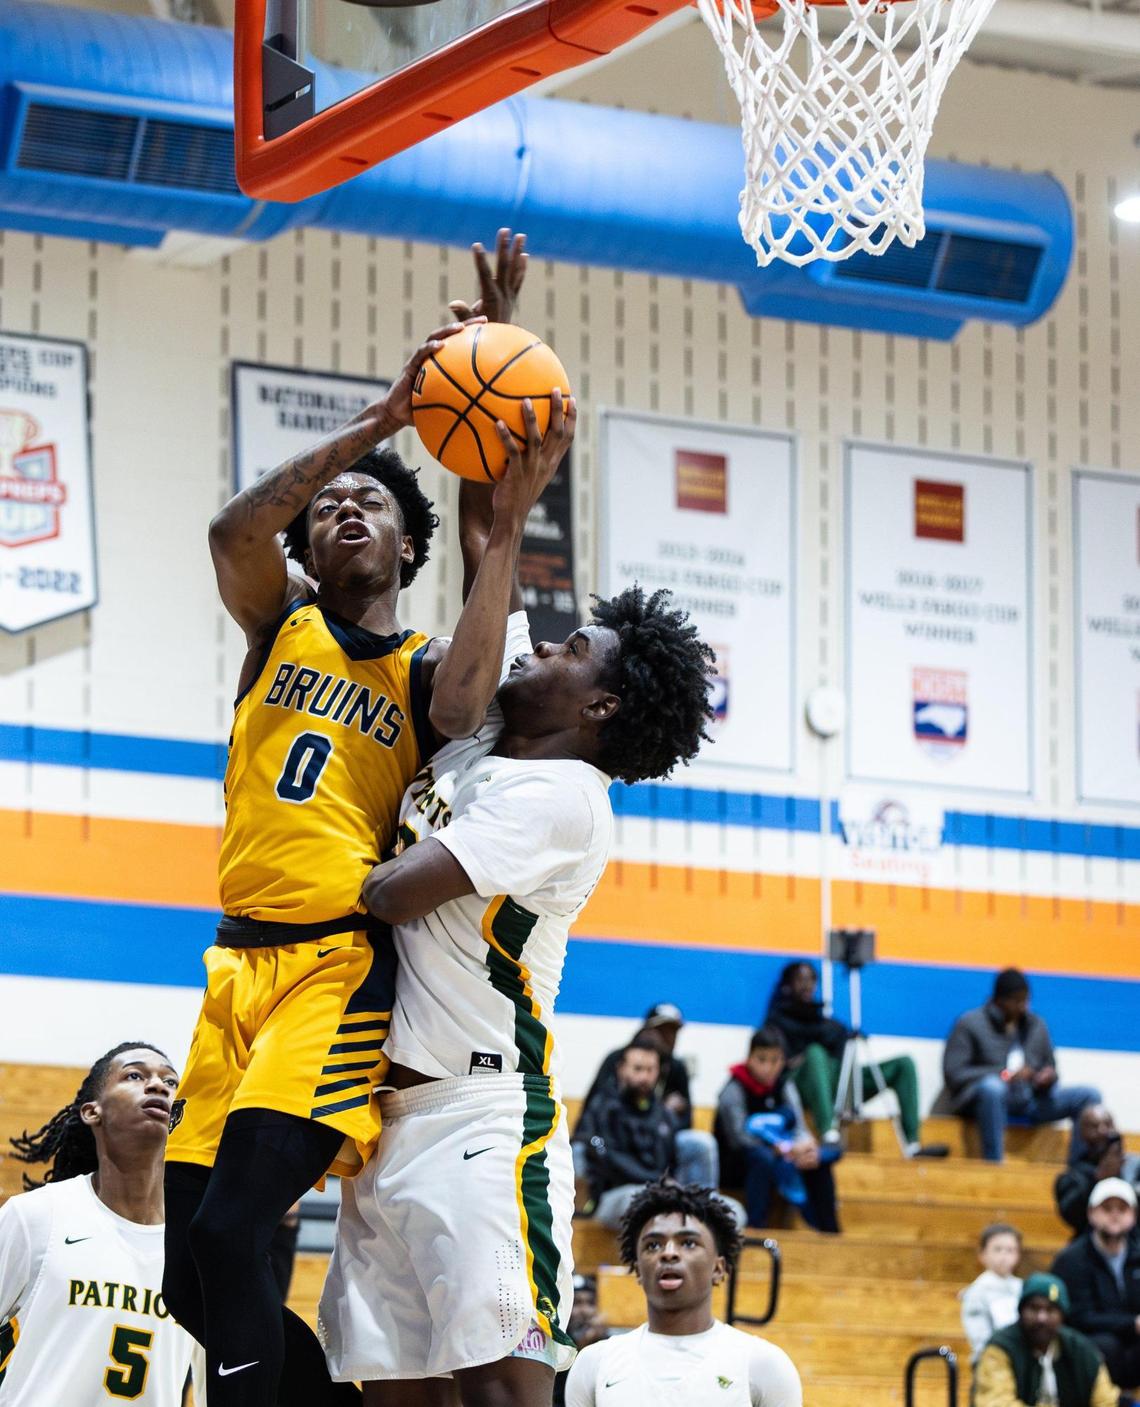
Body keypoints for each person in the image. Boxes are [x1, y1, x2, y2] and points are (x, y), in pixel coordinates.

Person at [162, 229, 565, 1407]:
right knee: (190, 1261)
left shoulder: (429, 671)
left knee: (240, 1229)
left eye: (371, 508)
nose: (344, 510)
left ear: (405, 545)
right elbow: (232, 534)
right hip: (232, 967)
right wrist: (391, 418)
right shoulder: (274, 625)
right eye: (328, 505)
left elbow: (471, 684)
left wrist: (489, 405)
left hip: (336, 973)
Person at [318, 573, 720, 1407]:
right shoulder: (489, 736)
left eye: (573, 649)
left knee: (504, 1389)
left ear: (601, 706)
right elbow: (484, 571)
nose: (541, 646)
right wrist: (504, 499)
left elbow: (391, 892)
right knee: (395, 1393)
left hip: (484, 1120)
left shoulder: (566, 798)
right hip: (382, 1121)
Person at [0, 1043, 197, 1406]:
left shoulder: (197, 1247)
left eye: (171, 1082)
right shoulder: (37, 1217)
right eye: (135, 1075)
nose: (158, 1086)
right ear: (93, 1111)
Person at [563, 1180, 802, 1406]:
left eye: (688, 1243)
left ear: (718, 1268)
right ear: (637, 1268)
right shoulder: (594, 1362)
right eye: (653, 1245)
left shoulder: (763, 1365)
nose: (668, 1253)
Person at [765, 960, 943, 1158]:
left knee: (903, 1064)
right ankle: (829, 1134)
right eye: (800, 979)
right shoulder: (776, 1023)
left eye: (812, 980)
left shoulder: (831, 1026)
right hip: (803, 1086)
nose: (807, 985)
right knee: (816, 1053)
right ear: (788, 985)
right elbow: (777, 1067)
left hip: (838, 1084)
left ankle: (912, 1146)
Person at [575, 1036, 735, 1230]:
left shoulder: (662, 1114)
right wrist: (659, 1184)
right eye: (638, 1069)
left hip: (659, 1190)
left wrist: (672, 1188)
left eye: (650, 1070)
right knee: (643, 1200)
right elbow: (610, 1162)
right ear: (621, 1069)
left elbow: (669, 1160)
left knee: (731, 1211)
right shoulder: (603, 1109)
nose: (644, 1077)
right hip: (614, 1195)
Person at [943, 969, 1101, 1164]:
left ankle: (1079, 1169)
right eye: (1017, 1001)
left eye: (1026, 1000)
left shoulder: (1036, 1025)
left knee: (1089, 1096)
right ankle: (994, 1164)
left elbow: (1051, 1067)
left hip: (1030, 1098)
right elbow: (954, 1073)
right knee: (993, 1088)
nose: (1023, 1006)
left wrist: (1046, 1078)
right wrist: (1004, 1075)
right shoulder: (970, 1023)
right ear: (999, 1000)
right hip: (986, 1101)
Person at [714, 1025, 840, 1234]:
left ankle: (830, 1232)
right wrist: (779, 1149)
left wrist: (805, 1147)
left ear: (783, 1061)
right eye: (761, 1059)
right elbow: (738, 1139)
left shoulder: (785, 1086)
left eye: (775, 1060)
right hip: (738, 1166)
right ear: (750, 1058)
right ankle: (757, 1227)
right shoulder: (733, 1090)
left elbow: (799, 1127)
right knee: (762, 1158)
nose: (768, 1068)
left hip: (783, 1156)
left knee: (820, 1158)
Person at [973, 1273, 1118, 1407]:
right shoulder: (1001, 1348)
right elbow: (995, 1402)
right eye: (1034, 1308)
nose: (1041, 1318)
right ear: (1021, 1311)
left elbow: (1106, 1401)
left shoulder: (1081, 1350)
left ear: (1062, 1316)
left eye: (1050, 1310)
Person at [1052, 1178, 1140, 1391]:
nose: (1115, 1214)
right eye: (1107, 1208)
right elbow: (1080, 1316)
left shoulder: (1137, 1255)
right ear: (1091, 1213)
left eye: (1122, 1208)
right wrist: (1132, 1324)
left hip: (1132, 1341)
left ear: (1134, 1215)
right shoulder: (1071, 1260)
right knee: (1104, 1346)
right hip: (1090, 1342)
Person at [580, 1004, 695, 1127]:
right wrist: (663, 1109)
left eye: (673, 1032)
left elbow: (687, 1121)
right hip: (615, 1128)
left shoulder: (676, 1068)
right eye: (662, 1030)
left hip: (659, 1134)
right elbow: (594, 1105)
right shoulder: (617, 1058)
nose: (668, 1037)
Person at [1056, 1105, 1140, 1236]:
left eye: (1108, 1124)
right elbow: (1071, 1216)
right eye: (1094, 1126)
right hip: (1092, 1246)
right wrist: (1098, 1179)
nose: (1103, 1131)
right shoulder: (1073, 1176)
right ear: (1082, 1133)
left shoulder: (1135, 1165)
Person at [960, 1223, 1024, 1363]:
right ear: (983, 1254)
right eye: (997, 1249)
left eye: (1010, 1250)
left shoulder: (1021, 1287)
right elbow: (978, 1337)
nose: (1004, 1255)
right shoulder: (977, 1292)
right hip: (989, 1360)